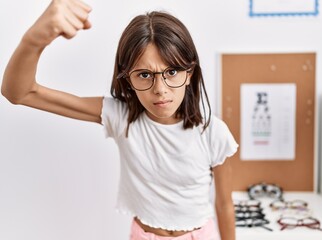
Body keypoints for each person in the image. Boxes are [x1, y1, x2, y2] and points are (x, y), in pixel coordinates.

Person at [1, 0, 238, 239]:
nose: (160, 89)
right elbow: (19, 92)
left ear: (190, 73)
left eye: (172, 72)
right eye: (145, 75)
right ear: (128, 80)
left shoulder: (212, 131)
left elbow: (225, 205)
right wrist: (34, 40)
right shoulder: (121, 117)